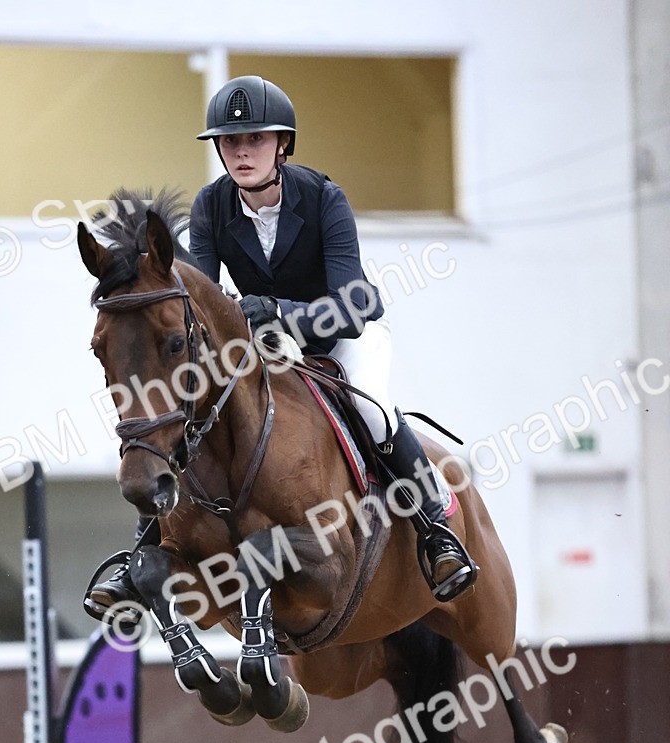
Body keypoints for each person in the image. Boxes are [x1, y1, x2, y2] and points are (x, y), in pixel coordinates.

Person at [88, 75, 476, 617]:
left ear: (282, 145)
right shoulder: (211, 206)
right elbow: (198, 299)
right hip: (265, 344)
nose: (242, 152)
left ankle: (436, 531)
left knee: (373, 409)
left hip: (341, 335)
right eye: (231, 142)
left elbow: (355, 304)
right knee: (192, 412)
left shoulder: (323, 198)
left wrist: (280, 312)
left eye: (256, 139)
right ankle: (143, 550)